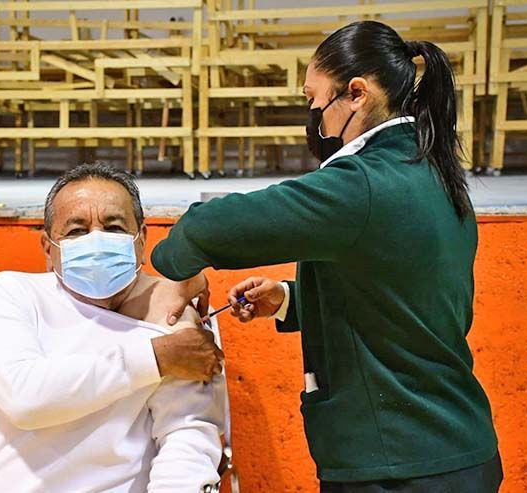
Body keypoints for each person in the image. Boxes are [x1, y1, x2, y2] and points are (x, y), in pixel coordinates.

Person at [150, 21, 503, 493]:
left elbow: (209, 228)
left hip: (400, 465)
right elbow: (403, 296)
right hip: (455, 448)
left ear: (356, 94)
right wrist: (289, 299)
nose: (315, 115)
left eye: (314, 98)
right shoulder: (431, 171)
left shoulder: (362, 184)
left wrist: (180, 266)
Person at [0, 162, 225, 493]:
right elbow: (23, 398)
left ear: (141, 240)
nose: (97, 240)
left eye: (114, 227)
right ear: (48, 248)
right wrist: (157, 357)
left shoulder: (173, 312)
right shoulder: (11, 296)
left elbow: (188, 437)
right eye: (76, 231)